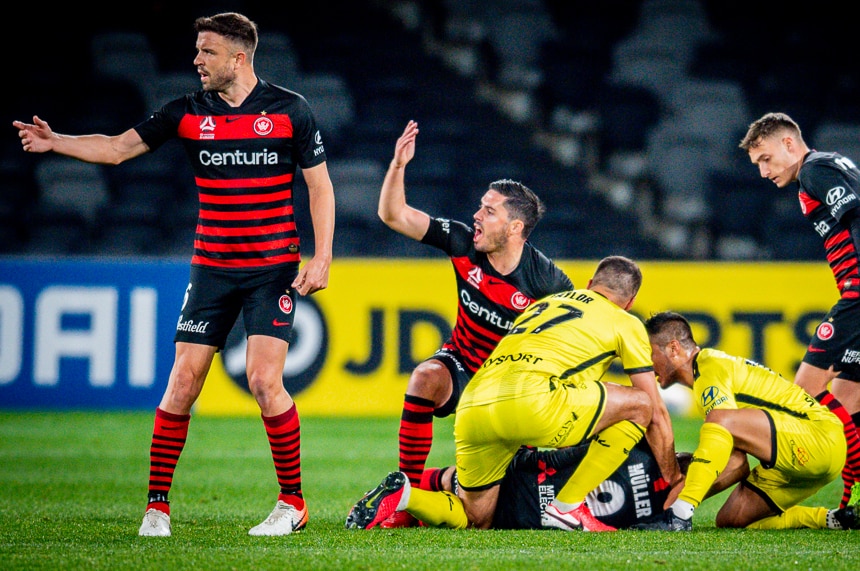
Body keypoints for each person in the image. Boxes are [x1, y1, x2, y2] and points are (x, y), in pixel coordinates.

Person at [13, 12, 335, 537]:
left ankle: (292, 503)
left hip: (271, 270)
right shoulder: (186, 113)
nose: (196, 60)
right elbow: (118, 148)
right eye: (197, 50)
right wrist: (59, 142)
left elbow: (319, 187)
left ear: (238, 57)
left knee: (262, 379)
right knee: (183, 382)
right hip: (210, 268)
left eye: (207, 51)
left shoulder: (289, 111)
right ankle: (157, 508)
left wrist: (321, 256)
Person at [346, 256, 682, 532]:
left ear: (590, 285)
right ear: (631, 302)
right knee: (639, 406)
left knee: (476, 516)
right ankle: (566, 508)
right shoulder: (626, 323)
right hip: (534, 402)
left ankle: (407, 495)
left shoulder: (547, 303)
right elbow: (654, 408)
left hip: (475, 403)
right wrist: (672, 477)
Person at [373, 119, 574, 528]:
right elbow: (393, 215)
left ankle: (438, 484)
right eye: (480, 206)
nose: (476, 215)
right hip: (463, 363)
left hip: (509, 386)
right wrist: (397, 166)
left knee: (487, 511)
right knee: (424, 377)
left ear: (515, 228)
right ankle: (404, 493)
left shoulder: (548, 283)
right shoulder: (463, 242)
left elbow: (575, 340)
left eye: (488, 210)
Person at [640, 311, 859, 531]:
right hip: (800, 459)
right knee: (732, 519)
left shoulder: (710, 368)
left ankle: (679, 515)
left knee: (719, 420)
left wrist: (677, 502)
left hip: (818, 437)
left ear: (673, 348)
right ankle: (833, 518)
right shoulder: (708, 371)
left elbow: (722, 423)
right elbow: (735, 463)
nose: (646, 364)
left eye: (649, 353)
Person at [740, 112, 860, 509]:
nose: (762, 172)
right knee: (846, 400)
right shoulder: (834, 163)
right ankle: (850, 502)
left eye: (765, 159)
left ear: (789, 144)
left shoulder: (814, 170)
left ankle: (775, 483)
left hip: (857, 297)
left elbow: (856, 214)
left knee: (803, 394)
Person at [421, 442, 691, 530]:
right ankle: (406, 498)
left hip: (531, 476)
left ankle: (405, 493)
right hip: (528, 507)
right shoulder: (665, 517)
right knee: (469, 512)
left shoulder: (643, 446)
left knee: (460, 490)